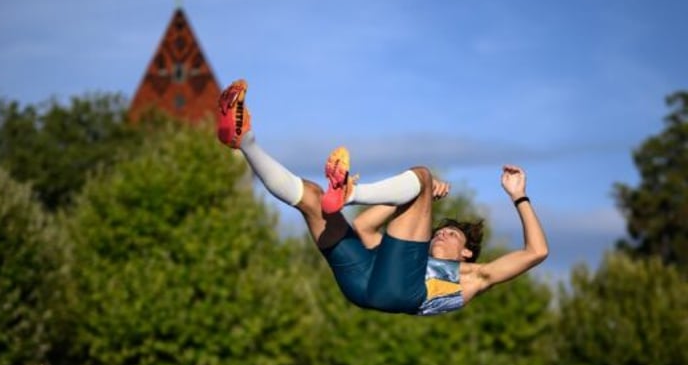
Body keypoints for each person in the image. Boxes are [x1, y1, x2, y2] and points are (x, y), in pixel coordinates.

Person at [217, 80, 548, 316]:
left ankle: (351, 192)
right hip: (364, 281)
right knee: (315, 199)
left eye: (452, 234)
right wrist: (411, 201)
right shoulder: (402, 254)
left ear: (467, 252)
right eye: (441, 229)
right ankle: (244, 140)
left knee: (421, 174)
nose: (442, 232)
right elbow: (364, 226)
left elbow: (537, 252)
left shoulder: (475, 275)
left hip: (403, 294)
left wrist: (519, 197)